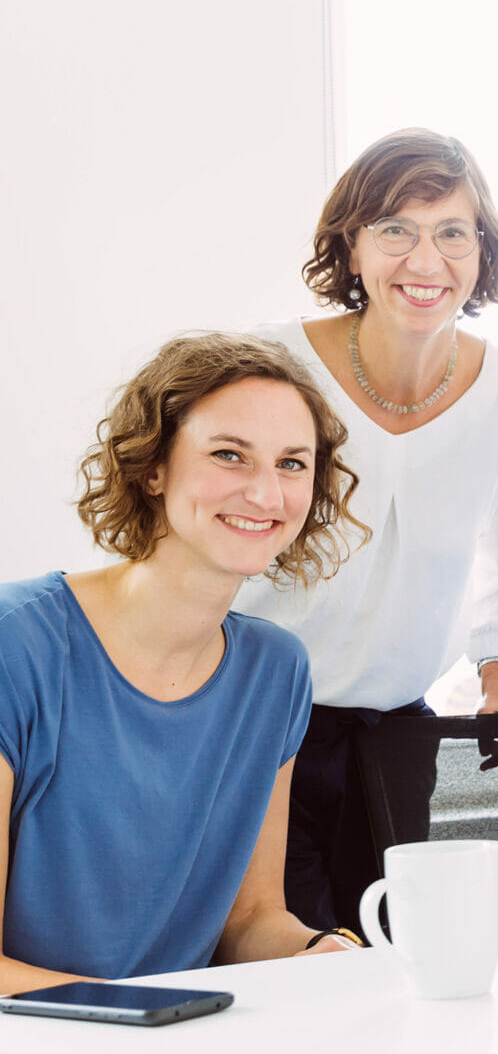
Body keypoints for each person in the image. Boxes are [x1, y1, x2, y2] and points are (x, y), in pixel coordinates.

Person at [0, 332, 369, 994]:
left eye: (292, 464)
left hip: (180, 1028)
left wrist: (324, 952)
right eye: (230, 455)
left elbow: (251, 921)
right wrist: (143, 1024)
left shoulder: (275, 671)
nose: (265, 493)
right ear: (153, 468)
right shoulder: (15, 646)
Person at [235, 128, 498, 934]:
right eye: (395, 229)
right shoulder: (269, 364)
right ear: (353, 245)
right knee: (283, 961)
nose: (424, 259)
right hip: (263, 725)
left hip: (403, 729)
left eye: (451, 232)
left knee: (431, 949)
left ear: (482, 253)